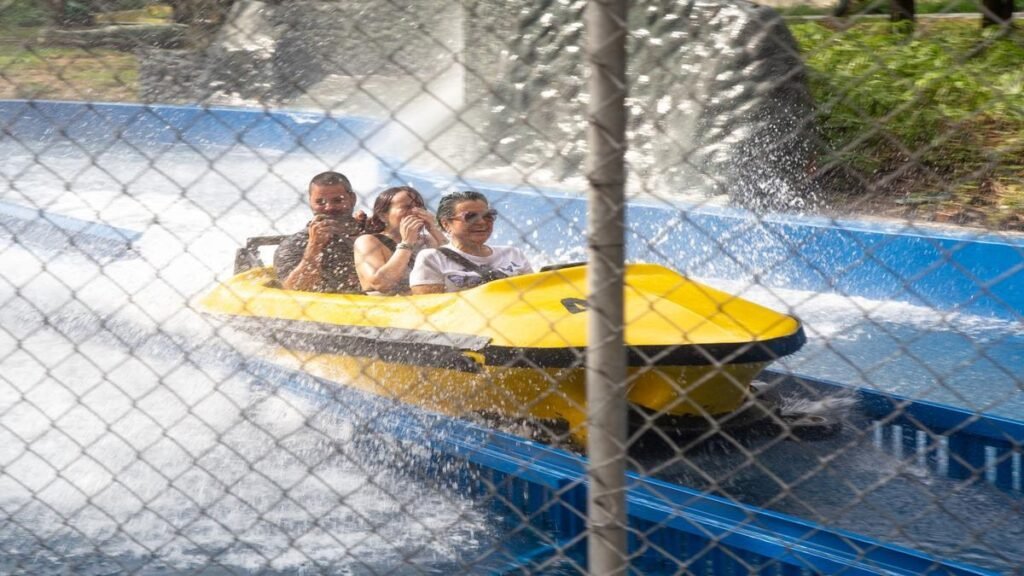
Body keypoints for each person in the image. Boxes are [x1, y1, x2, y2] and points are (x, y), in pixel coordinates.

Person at [410, 191, 533, 294]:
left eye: (488, 216)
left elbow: (533, 294)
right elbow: (430, 306)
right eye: (471, 217)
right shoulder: (433, 258)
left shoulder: (513, 254)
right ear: (446, 224)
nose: (482, 222)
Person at [274, 171, 365, 293]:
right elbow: (291, 290)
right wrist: (314, 247)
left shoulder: (371, 233)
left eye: (338, 200)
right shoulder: (295, 244)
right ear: (310, 203)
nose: (329, 207)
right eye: (320, 202)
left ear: (352, 199)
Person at [353, 186, 447, 294]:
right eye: (407, 207)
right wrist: (406, 243)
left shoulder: (429, 240)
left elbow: (457, 266)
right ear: (383, 216)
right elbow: (380, 284)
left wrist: (434, 229)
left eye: (420, 206)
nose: (415, 211)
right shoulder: (368, 241)